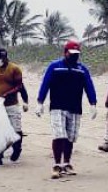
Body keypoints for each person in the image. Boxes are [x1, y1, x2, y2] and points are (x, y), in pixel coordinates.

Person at [36, 40, 97, 179]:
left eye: (77, 54)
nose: (75, 56)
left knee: (70, 138)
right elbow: (45, 84)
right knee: (59, 135)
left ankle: (67, 164)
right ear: (65, 53)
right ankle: (57, 165)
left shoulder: (82, 69)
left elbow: (89, 86)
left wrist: (93, 103)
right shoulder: (54, 67)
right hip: (57, 106)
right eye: (72, 54)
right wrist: (40, 102)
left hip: (75, 107)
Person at [0, 48, 25, 165]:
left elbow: (19, 86)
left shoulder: (15, 69)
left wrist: (8, 94)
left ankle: (17, 149)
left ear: (5, 58)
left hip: (12, 105)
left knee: (16, 130)